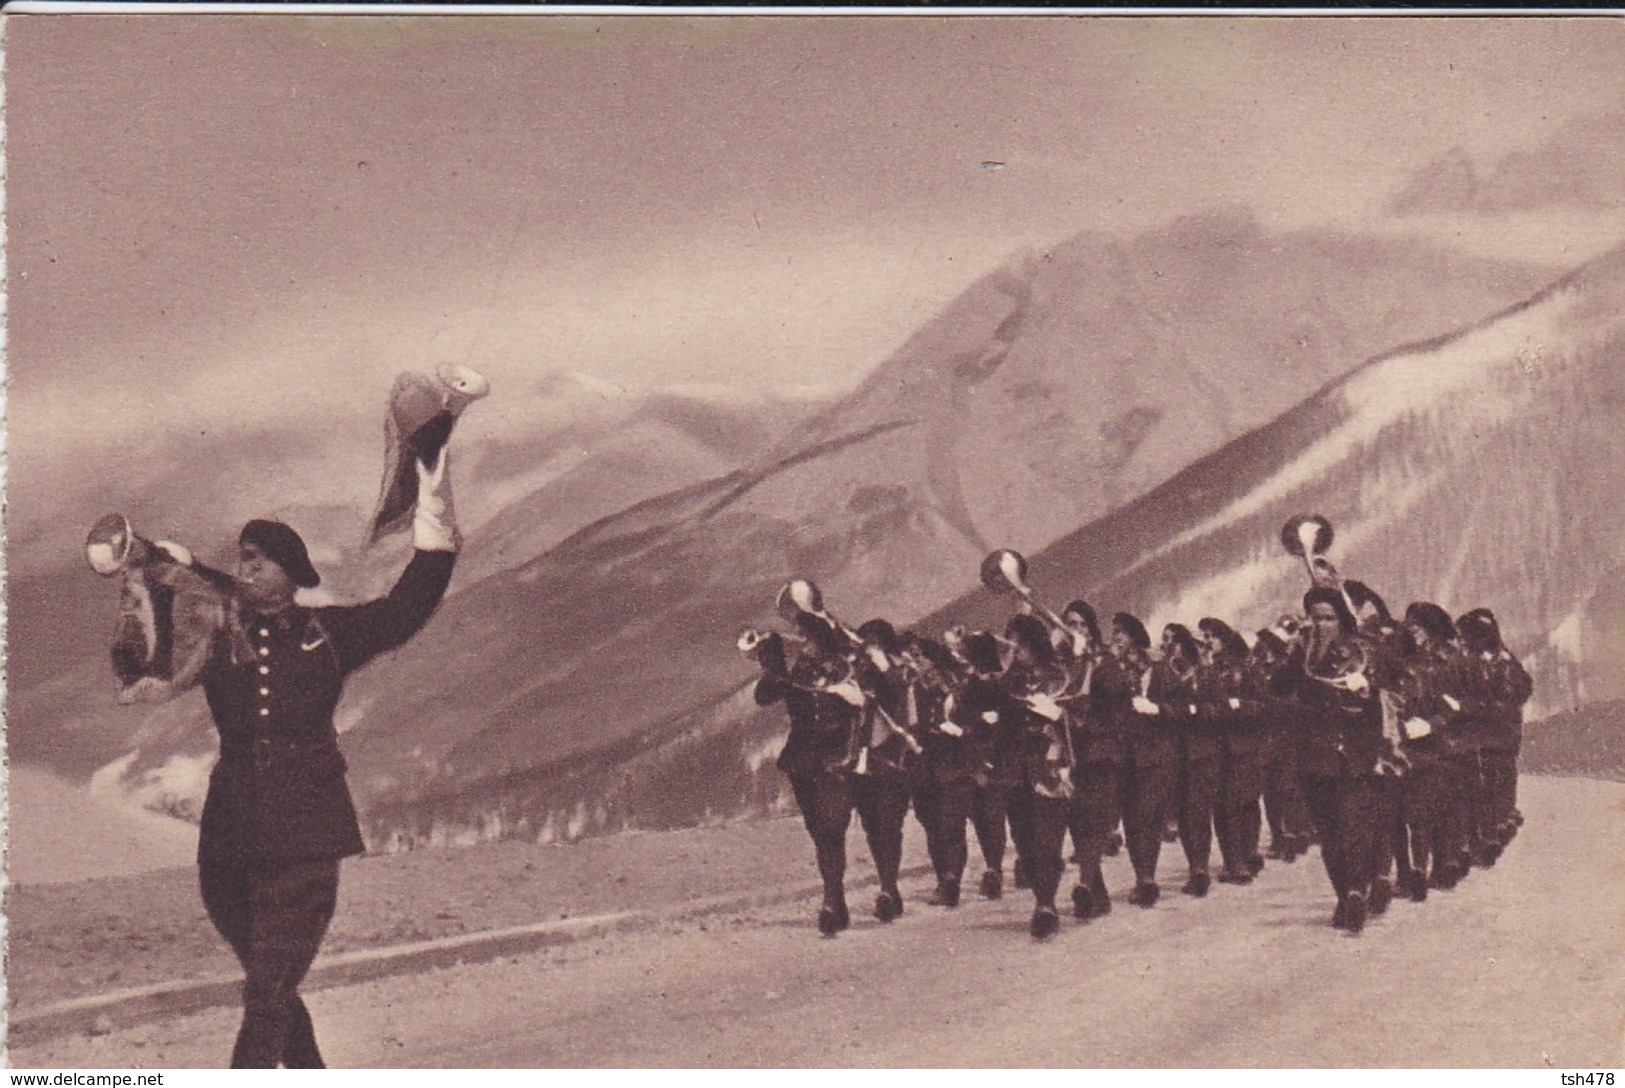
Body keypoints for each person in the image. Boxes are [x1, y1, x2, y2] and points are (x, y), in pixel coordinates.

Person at [120, 447, 461, 1067]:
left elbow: (410, 603)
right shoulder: (218, 632)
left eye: (257, 561)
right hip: (227, 837)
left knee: (268, 990)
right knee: (269, 985)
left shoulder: (330, 633)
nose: (243, 570)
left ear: (290, 571)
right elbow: (141, 670)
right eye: (240, 560)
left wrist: (434, 501)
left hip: (307, 832)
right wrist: (150, 583)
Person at [1277, 587, 1384, 933]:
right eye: (1316, 618)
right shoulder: (1303, 654)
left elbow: (1370, 699)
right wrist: (1289, 652)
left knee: (1355, 828)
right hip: (1314, 757)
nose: (1321, 625)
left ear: (1341, 620)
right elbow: (1278, 688)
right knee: (1330, 834)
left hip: (1352, 755)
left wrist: (1361, 688)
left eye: (1328, 618)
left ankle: (1357, 890)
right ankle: (1344, 894)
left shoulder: (1360, 651)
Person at [1101, 612, 1180, 908]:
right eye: (1114, 631)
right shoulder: (1109, 668)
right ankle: (1142, 875)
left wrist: (1157, 710)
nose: (1116, 636)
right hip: (1124, 753)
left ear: (1134, 637)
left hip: (1155, 751)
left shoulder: (1157, 668)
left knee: (1151, 815)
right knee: (1132, 818)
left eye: (1121, 632)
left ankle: (1148, 874)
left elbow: (1178, 704)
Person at [1456, 608, 1533, 864]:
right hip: (1491, 736)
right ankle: (1486, 833)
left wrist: (1470, 707)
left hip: (1497, 736)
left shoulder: (1502, 664)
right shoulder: (1493, 660)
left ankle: (1493, 831)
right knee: (1485, 784)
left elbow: (1508, 700)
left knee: (1493, 783)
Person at [1058, 600, 1120, 920]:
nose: (1075, 629)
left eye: (1081, 624)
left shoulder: (1104, 661)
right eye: (1070, 623)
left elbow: (1111, 696)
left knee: (1094, 821)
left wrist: (1084, 659)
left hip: (1099, 752)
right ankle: (1097, 893)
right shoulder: (1062, 662)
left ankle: (1084, 883)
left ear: (1091, 629)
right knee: (1078, 823)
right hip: (1070, 751)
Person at [1199, 618, 1267, 886]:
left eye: (1211, 636)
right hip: (1217, 745)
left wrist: (1241, 707)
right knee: (1225, 803)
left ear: (1223, 639)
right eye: (1204, 637)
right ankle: (1235, 860)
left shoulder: (1244, 668)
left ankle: (1245, 855)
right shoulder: (1204, 670)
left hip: (1243, 743)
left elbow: (1264, 704)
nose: (1206, 642)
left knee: (1245, 801)